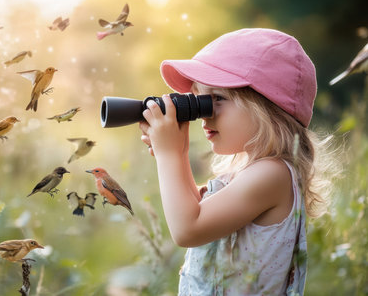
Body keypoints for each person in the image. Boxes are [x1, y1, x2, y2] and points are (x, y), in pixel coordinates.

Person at [139, 28, 339, 295]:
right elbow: (197, 213)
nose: (204, 115)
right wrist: (180, 152)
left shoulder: (272, 175)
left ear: (266, 109)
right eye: (200, 100)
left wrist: (169, 155)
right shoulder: (251, 174)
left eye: (218, 99)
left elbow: (187, 229)